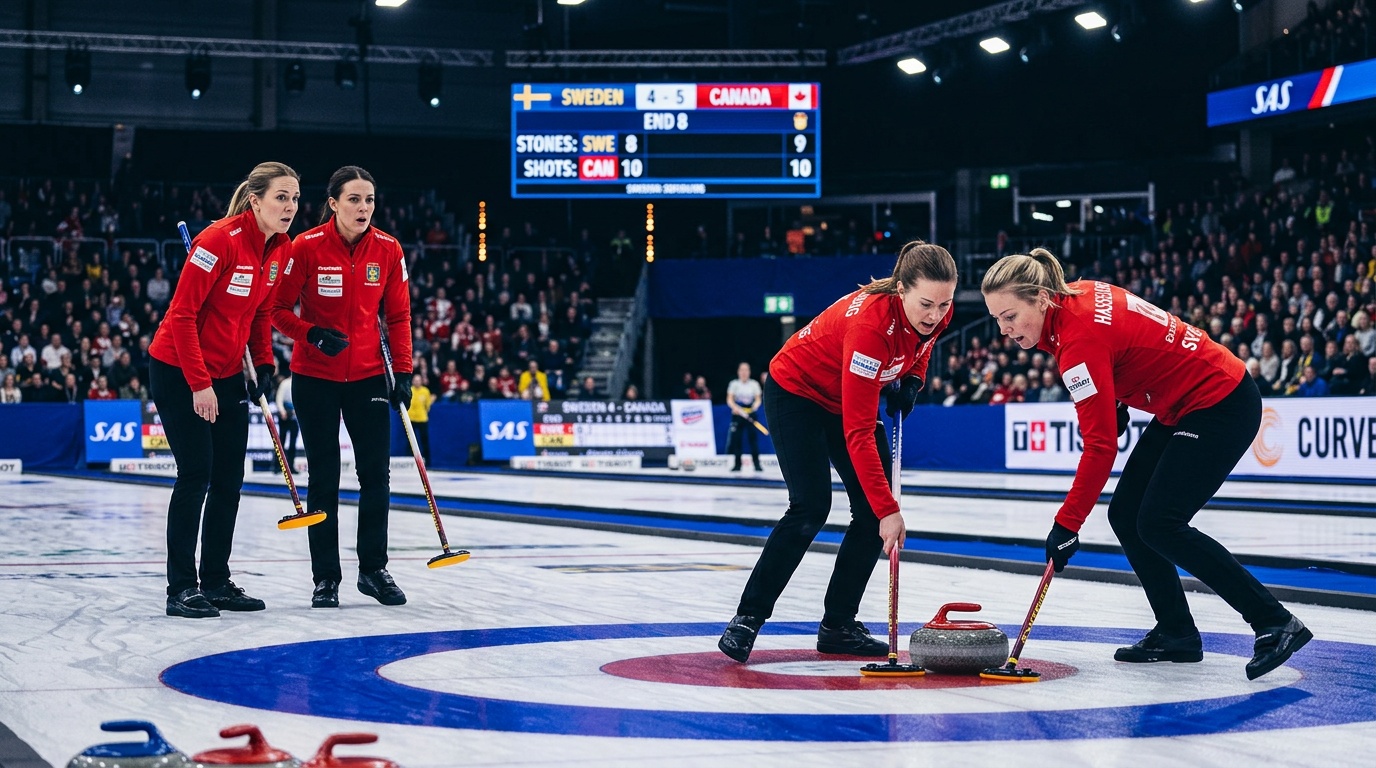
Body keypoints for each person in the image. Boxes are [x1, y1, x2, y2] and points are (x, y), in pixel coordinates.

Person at [981, 247, 1309, 680]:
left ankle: (1274, 621)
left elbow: (1100, 447)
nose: (1004, 330)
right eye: (996, 320)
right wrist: (1113, 395)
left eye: (1009, 316)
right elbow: (1129, 338)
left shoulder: (1077, 340)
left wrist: (1067, 524)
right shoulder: (1076, 295)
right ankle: (1176, 632)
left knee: (1159, 522)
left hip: (1220, 403)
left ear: (1041, 298)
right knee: (1127, 513)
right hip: (1183, 402)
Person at [718, 240, 956, 662]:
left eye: (944, 304)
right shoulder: (869, 328)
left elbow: (924, 345)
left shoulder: (935, 308)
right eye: (926, 305)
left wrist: (914, 379)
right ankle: (747, 617)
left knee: (867, 512)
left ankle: (838, 626)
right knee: (811, 506)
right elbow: (859, 431)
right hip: (797, 392)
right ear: (901, 290)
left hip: (843, 397)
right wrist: (889, 510)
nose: (936, 315)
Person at [148, 161, 298, 618]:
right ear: (256, 200)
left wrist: (266, 365)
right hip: (179, 369)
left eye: (294, 198)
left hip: (230, 371)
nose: (290, 207)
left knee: (230, 477)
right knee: (197, 473)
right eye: (281, 197)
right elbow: (182, 316)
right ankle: (181, 588)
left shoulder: (281, 248)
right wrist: (199, 384)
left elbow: (258, 313)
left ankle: (216, 580)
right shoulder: (217, 241)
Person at [270, 165, 412, 610]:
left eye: (369, 200)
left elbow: (399, 317)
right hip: (314, 378)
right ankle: (325, 578)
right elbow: (276, 309)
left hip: (369, 375)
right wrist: (311, 334)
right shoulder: (305, 246)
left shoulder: (389, 249)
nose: (363, 208)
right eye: (354, 199)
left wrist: (403, 372)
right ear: (333, 204)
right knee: (324, 477)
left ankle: (373, 570)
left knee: (376, 476)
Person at [725, 362, 763, 472]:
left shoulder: (754, 384)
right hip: (738, 413)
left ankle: (757, 464)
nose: (744, 372)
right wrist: (735, 408)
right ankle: (737, 464)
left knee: (753, 439)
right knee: (737, 440)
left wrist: (753, 409)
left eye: (746, 370)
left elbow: (758, 399)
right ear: (738, 372)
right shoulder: (734, 384)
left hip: (750, 413)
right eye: (742, 370)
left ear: (749, 372)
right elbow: (730, 399)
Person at [408, 373, 435, 464]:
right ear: (412, 381)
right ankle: (410, 461)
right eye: (415, 380)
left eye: (418, 380)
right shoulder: (410, 390)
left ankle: (428, 461)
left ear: (421, 381)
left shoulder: (425, 391)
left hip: (422, 418)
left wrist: (424, 412)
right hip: (411, 419)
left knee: (424, 440)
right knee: (410, 442)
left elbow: (428, 405)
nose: (417, 382)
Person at [274, 372, 299, 472]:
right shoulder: (285, 383)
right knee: (281, 441)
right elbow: (279, 399)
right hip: (285, 414)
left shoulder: (298, 383)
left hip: (294, 414)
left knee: (293, 442)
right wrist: (282, 411)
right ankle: (277, 466)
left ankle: (291, 466)